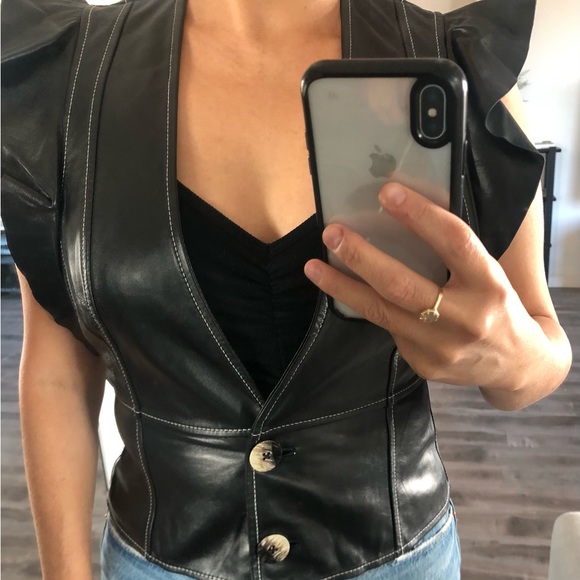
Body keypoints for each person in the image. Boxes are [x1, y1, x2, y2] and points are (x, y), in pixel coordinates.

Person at [1, 0, 572, 578]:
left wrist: (507, 358)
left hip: (396, 561)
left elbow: (542, 353)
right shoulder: (70, 78)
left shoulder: (462, 69)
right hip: (158, 561)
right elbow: (56, 372)